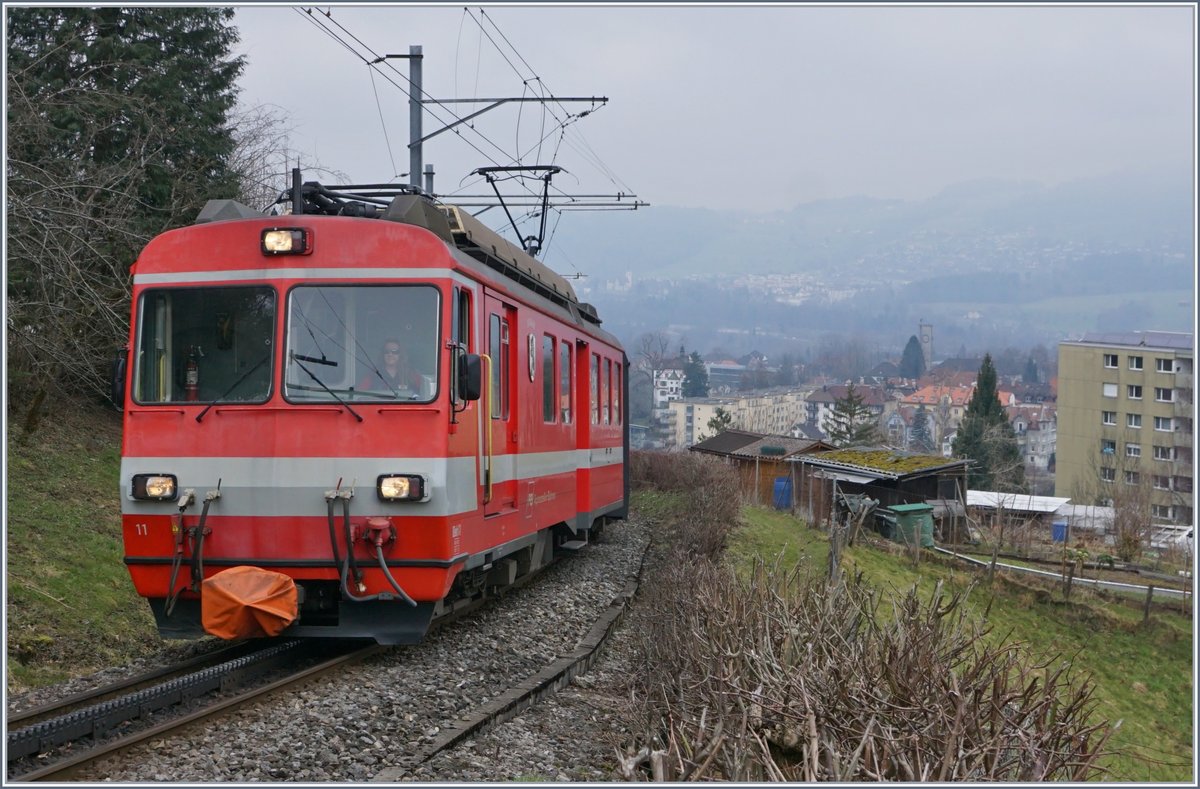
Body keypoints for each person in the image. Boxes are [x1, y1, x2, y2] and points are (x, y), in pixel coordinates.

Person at [359, 338, 423, 394]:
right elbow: (360, 394)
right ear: (382, 354)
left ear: (400, 354)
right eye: (386, 351)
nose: (390, 354)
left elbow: (424, 392)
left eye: (394, 351)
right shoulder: (373, 374)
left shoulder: (410, 374)